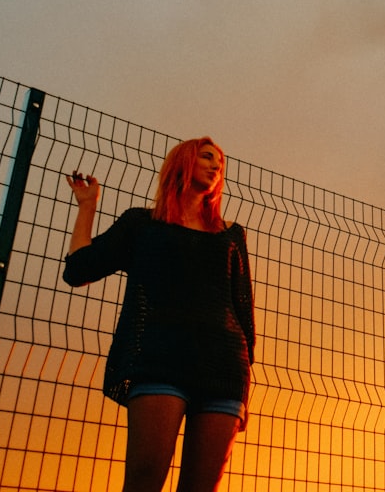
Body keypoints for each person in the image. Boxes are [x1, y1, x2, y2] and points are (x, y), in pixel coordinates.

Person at [63, 137, 255, 492]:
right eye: (208, 157)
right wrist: (87, 205)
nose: (217, 166)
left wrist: (245, 386)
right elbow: (79, 269)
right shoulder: (142, 225)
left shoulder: (231, 235)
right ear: (182, 162)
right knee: (144, 479)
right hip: (158, 362)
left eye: (221, 163)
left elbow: (243, 310)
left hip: (224, 370)